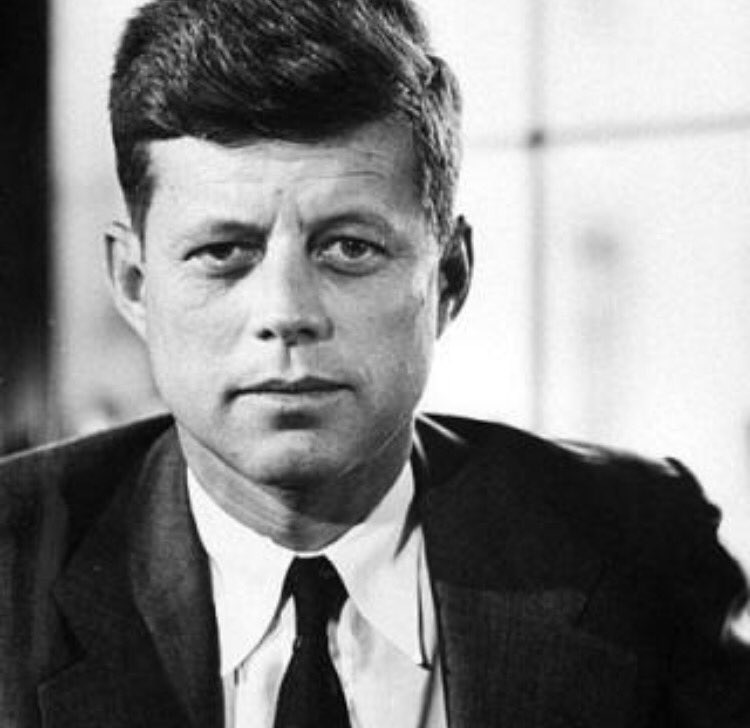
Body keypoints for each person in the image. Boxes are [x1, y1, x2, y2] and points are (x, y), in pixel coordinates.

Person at [1, 0, 749, 725]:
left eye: (349, 248)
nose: (287, 312)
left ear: (449, 277)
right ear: (134, 283)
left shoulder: (639, 551)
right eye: (223, 252)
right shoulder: (11, 568)